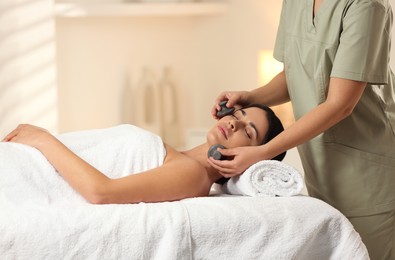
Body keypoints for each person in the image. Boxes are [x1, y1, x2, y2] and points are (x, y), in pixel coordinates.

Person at [209, 0, 395, 259]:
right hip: (321, 172)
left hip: (368, 178)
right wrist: (250, 97)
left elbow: (340, 104)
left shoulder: (366, 6)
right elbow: (292, 76)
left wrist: (264, 151)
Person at [1, 104, 285, 205]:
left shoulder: (193, 174)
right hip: (23, 160)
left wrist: (43, 139)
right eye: (239, 114)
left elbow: (101, 192)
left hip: (28, 173)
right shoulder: (179, 155)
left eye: (248, 133)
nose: (234, 122)